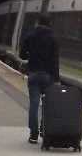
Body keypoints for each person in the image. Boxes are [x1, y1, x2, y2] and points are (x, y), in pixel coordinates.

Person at [19, 14, 59, 144]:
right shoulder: (53, 38)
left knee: (34, 105)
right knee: (48, 105)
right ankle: (44, 129)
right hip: (48, 76)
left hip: (34, 74)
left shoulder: (30, 36)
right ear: (49, 24)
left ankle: (33, 134)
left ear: (37, 23)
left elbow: (22, 55)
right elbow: (55, 61)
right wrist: (57, 79)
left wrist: (30, 55)